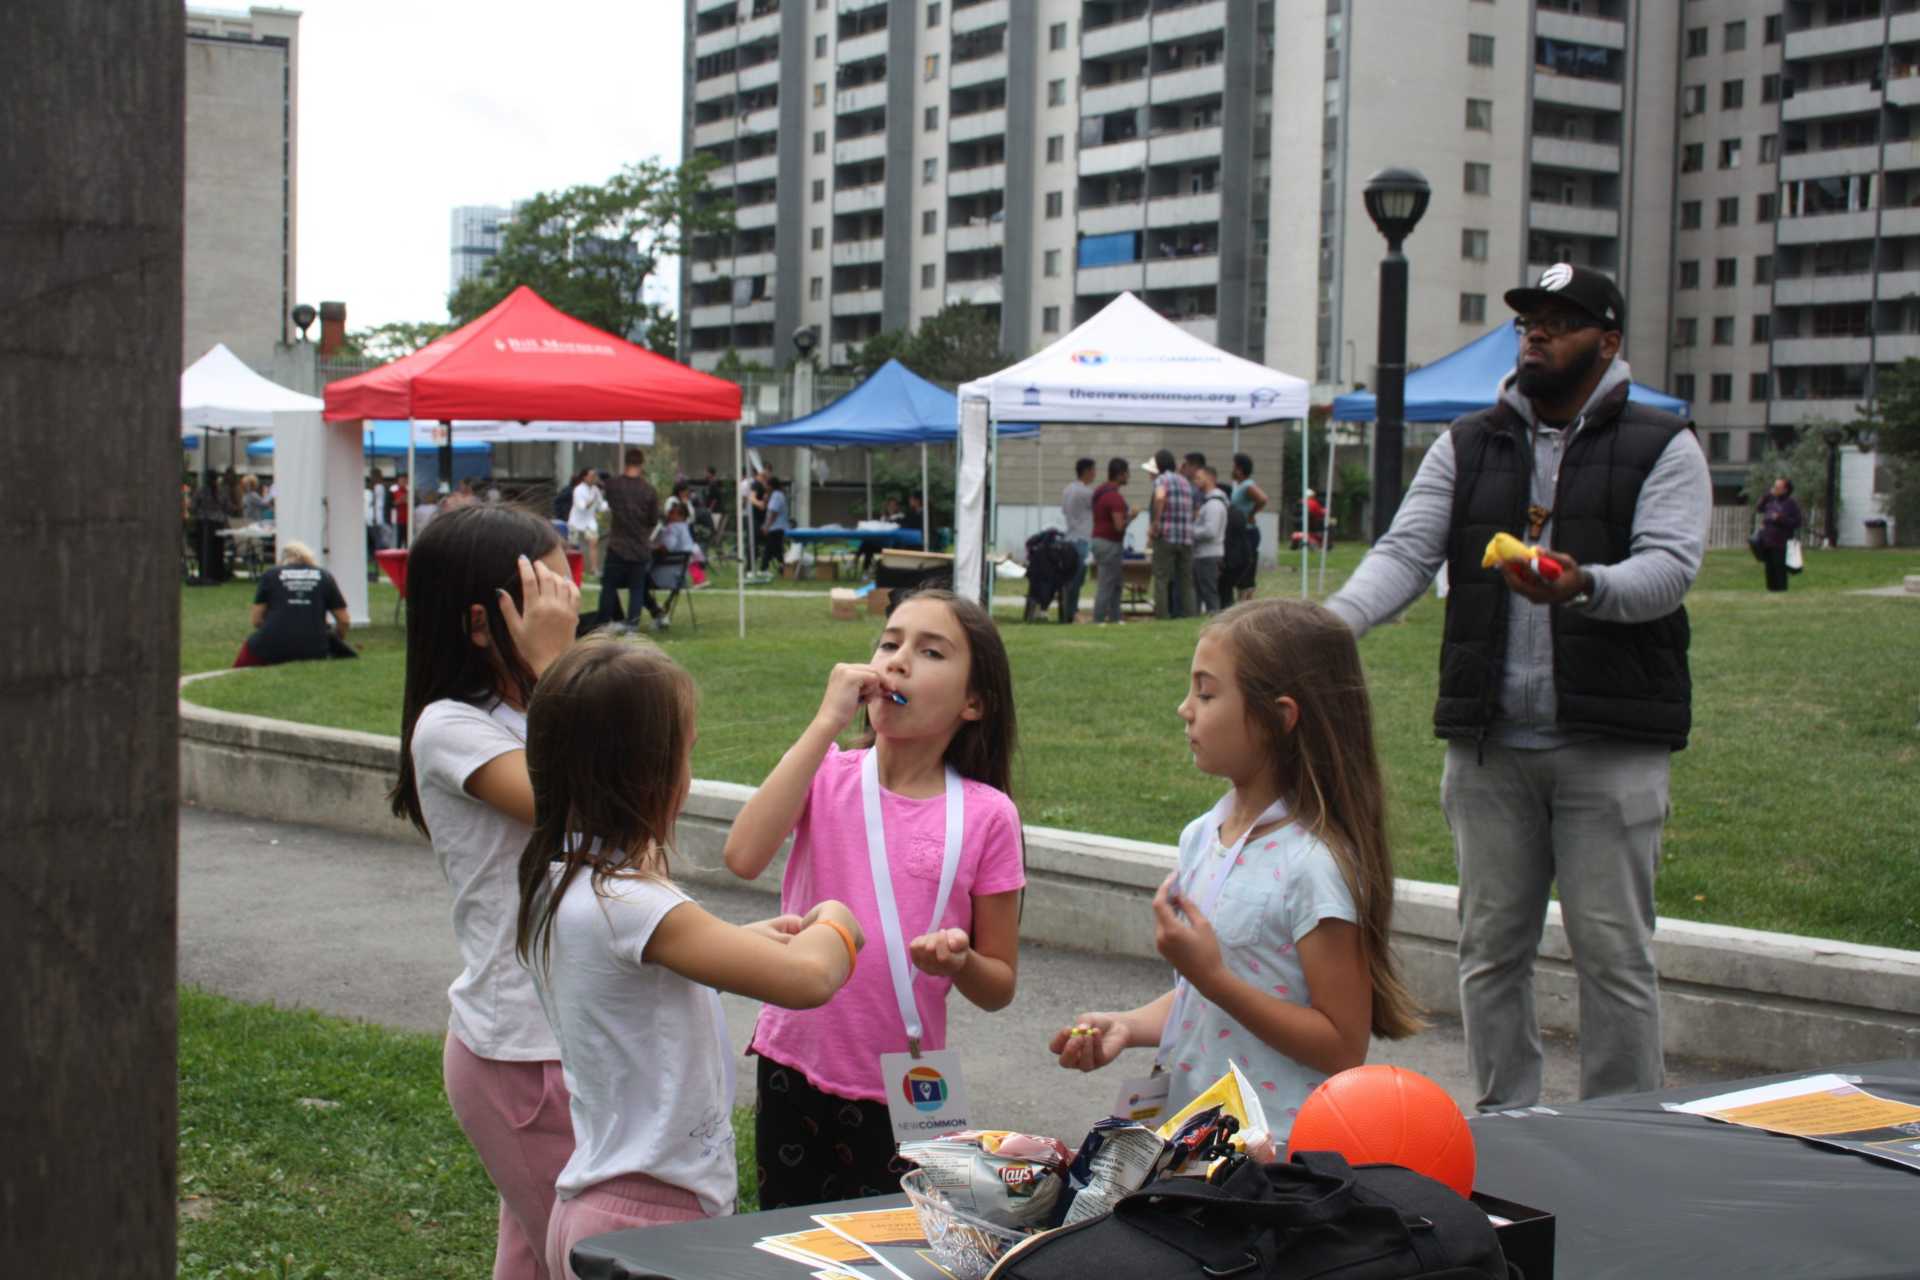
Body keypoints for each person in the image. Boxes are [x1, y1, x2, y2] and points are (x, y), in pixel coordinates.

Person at [1324, 263, 1711, 1113]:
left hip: (1610, 744)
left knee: (1614, 957)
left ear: (1607, 343)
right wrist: (1328, 626)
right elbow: (1405, 552)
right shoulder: (1468, 441)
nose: (1536, 333)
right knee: (1490, 948)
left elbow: (1669, 570)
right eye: (1530, 320)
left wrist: (1585, 586)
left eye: (1561, 322)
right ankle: (1508, 1122)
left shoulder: (1662, 442)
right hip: (1491, 744)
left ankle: (1624, 1132)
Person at [515, 639, 865, 1277]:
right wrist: (838, 918)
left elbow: (646, 982)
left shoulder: (562, 880)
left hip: (601, 1208)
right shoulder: (631, 903)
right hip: (651, 1222)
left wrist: (742, 941)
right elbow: (810, 978)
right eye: (688, 752)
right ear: (652, 775)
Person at [1049, 600, 1420, 1123]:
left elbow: (1341, 1045)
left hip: (1275, 1157)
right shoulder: (1204, 836)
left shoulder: (1315, 864)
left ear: (1279, 717)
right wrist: (1130, 1026)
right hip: (1194, 1136)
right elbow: (1212, 997)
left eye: (1206, 692)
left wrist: (1214, 978)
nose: (1185, 708)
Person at [722, 589, 1026, 1208]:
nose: (898, 661)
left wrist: (961, 963)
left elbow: (999, 985)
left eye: (930, 651)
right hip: (792, 1061)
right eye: (889, 643)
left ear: (974, 703)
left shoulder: (988, 816)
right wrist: (825, 723)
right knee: (789, 1243)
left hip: (910, 1086)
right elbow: (743, 856)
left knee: (897, 1249)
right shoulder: (828, 772)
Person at [389, 503, 583, 1280]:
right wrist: (556, 668)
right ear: (483, 623)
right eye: (554, 591)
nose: (573, 605)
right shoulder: (451, 728)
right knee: (589, 1257)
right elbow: (584, 798)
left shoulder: (526, 710)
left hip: (561, 1038)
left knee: (536, 1257)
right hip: (521, 1055)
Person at [233, 541, 355, 667]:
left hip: (270, 645)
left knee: (239, 670)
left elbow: (256, 620)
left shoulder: (271, 574)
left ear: (283, 559)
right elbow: (343, 620)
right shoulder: (324, 576)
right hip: (315, 648)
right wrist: (337, 641)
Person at [599, 451, 666, 632]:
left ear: (625, 462)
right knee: (637, 588)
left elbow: (608, 502)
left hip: (617, 544)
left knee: (609, 585)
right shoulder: (648, 491)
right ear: (642, 464)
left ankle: (603, 624)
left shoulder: (613, 485)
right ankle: (632, 626)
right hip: (639, 545)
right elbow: (653, 520)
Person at [1147, 448, 1195, 619]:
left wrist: (1156, 523)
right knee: (1186, 580)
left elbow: (1160, 497)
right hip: (1186, 537)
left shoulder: (1161, 479)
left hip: (1167, 536)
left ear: (1159, 465)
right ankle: (1190, 615)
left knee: (1161, 578)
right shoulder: (1185, 482)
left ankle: (1162, 616)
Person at [1090, 458, 1133, 625]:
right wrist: (1132, 517)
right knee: (1107, 583)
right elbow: (1119, 526)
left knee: (1116, 582)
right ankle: (1098, 619)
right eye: (1127, 473)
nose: (1128, 477)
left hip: (1099, 540)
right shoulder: (1114, 497)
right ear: (1120, 474)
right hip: (1109, 543)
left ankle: (1115, 617)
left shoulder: (1100, 491)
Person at [1058, 458, 1097, 624]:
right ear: (1087, 471)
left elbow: (1064, 511)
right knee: (1077, 578)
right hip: (1082, 538)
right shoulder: (1086, 493)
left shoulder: (1067, 490)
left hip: (1069, 537)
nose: (1095, 473)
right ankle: (1072, 611)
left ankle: (1069, 610)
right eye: (1093, 470)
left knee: (1070, 578)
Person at [1229, 454, 1268, 603]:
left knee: (1247, 567)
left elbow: (1263, 498)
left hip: (1248, 532)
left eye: (1234, 467)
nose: (1231, 470)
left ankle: (1246, 601)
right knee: (1240, 566)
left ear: (1239, 469)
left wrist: (1251, 513)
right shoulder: (1240, 486)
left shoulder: (1247, 485)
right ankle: (1242, 599)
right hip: (1242, 532)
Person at [1754, 477, 1802, 593]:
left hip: (1781, 543)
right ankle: (1771, 591)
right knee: (1769, 569)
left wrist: (1780, 518)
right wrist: (1767, 495)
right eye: (1774, 486)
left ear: (1785, 490)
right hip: (1768, 541)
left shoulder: (1790, 504)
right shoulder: (1771, 500)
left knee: (1779, 570)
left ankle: (1781, 591)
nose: (1774, 489)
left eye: (1778, 487)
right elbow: (1759, 508)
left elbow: (1797, 522)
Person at [1191, 465, 1229, 614]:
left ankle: (1214, 617)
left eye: (1199, 478)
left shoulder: (1214, 504)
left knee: (1209, 591)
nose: (1195, 481)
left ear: (1210, 479)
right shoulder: (1211, 502)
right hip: (1205, 554)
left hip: (1209, 554)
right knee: (1203, 590)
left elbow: (1211, 531)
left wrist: (1191, 531)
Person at [566, 469, 606, 578]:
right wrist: (593, 498)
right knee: (571, 546)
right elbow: (582, 507)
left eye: (594, 476)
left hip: (589, 521)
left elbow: (601, 506)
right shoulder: (578, 490)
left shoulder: (595, 490)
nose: (594, 478)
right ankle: (568, 569)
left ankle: (594, 569)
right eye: (591, 476)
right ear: (584, 477)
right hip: (575, 521)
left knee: (593, 543)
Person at [759, 475, 790, 575]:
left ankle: (764, 569)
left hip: (775, 527)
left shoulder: (776, 496)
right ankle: (783, 567)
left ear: (771, 486)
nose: (765, 487)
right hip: (778, 527)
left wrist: (767, 526)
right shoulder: (777, 494)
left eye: (767, 485)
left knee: (769, 549)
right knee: (777, 550)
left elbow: (774, 513)